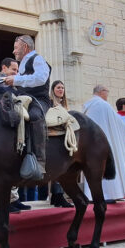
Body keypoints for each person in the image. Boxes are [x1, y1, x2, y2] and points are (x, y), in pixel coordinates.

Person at [3, 35, 51, 176]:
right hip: (23, 99)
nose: (13, 51)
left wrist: (16, 79)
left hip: (39, 100)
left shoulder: (38, 59)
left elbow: (41, 78)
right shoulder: (23, 63)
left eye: (16, 48)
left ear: (25, 47)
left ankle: (40, 161)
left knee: (35, 116)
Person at [83, 85, 125, 202]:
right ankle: (109, 194)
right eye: (107, 92)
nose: (107, 95)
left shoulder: (87, 106)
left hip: (90, 144)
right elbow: (117, 122)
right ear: (102, 92)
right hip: (104, 143)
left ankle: (92, 195)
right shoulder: (103, 105)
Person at [0, 57, 30, 211]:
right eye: (13, 70)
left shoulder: (15, 85)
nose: (16, 73)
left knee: (16, 164)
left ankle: (15, 199)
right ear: (4, 68)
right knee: (6, 167)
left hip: (17, 131)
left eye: (17, 71)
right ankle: (7, 202)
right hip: (3, 133)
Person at [48, 80, 74, 208]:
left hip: (64, 138)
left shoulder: (64, 105)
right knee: (59, 169)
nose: (61, 90)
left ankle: (57, 196)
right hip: (55, 138)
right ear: (53, 89)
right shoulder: (50, 103)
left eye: (62, 88)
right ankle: (58, 196)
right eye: (58, 87)